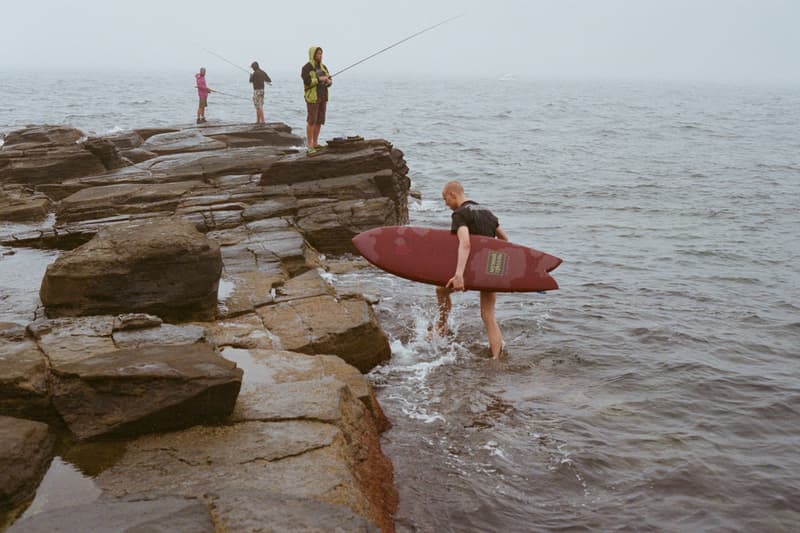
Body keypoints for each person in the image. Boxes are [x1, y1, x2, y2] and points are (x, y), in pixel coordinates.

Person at [435, 181, 509, 359]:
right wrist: (495, 268)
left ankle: (442, 328)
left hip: (470, 270)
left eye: (446, 200)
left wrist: (459, 275)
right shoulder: (487, 212)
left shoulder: (460, 214)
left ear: (452, 194)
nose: (446, 205)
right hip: (489, 270)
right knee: (488, 314)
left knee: (441, 291)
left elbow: (465, 243)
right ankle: (496, 358)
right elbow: (505, 241)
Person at [301, 46, 332, 152]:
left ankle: (315, 143)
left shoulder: (324, 67)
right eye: (318, 53)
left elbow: (329, 80)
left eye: (321, 53)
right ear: (313, 54)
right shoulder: (306, 68)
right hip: (313, 98)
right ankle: (309, 145)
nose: (320, 55)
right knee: (312, 120)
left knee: (319, 120)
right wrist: (320, 79)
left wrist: (329, 82)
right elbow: (307, 82)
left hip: (323, 96)